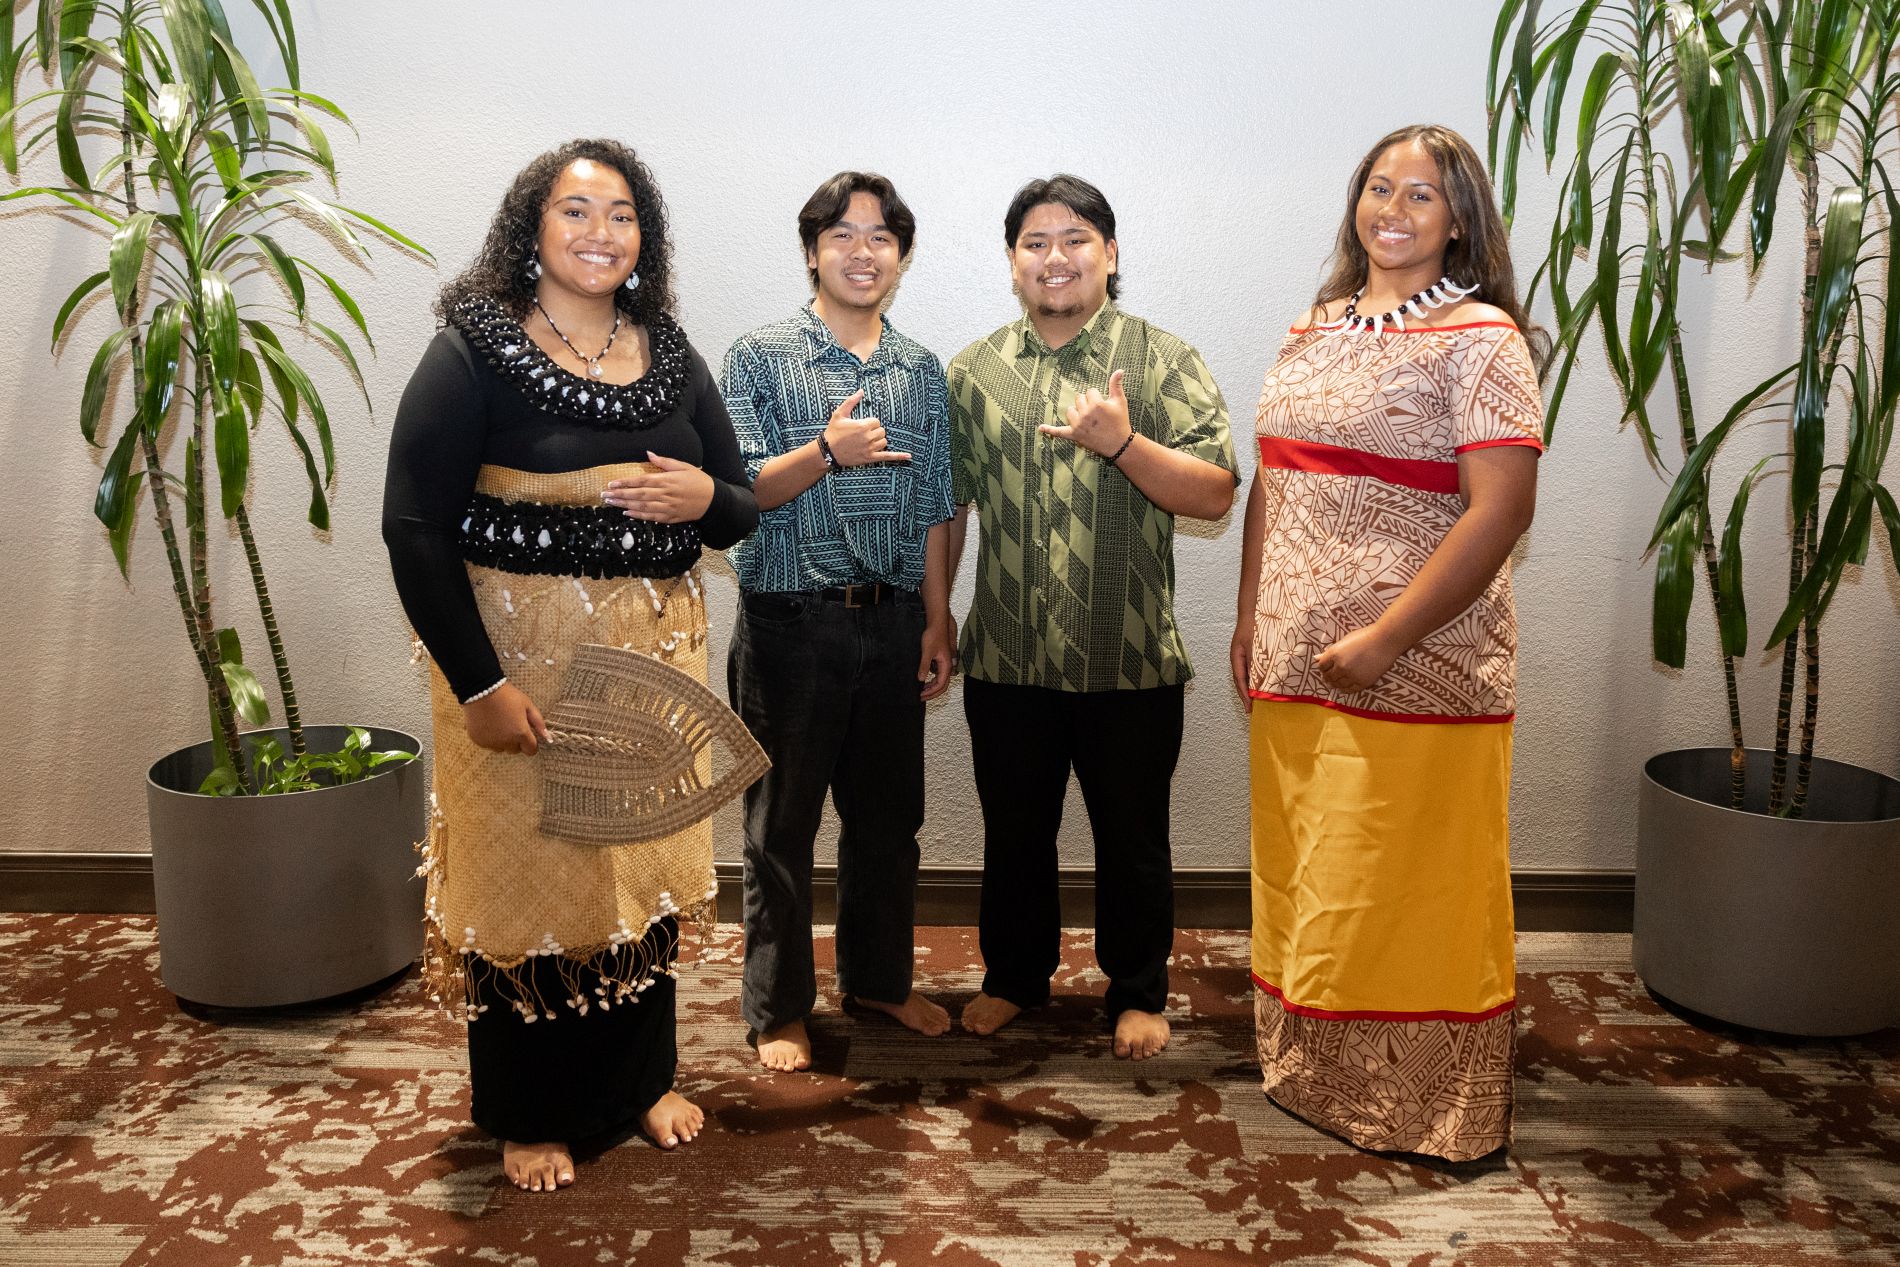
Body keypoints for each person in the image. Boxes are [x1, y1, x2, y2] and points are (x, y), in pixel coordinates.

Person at [382, 138, 757, 1192]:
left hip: (651, 671)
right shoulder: (475, 349)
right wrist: (479, 685)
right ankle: (528, 1110)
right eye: (576, 211)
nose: (601, 233)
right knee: (526, 889)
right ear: (531, 229)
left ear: (646, 238)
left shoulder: (671, 350)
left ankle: (640, 1081)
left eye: (623, 214)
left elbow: (734, 500)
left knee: (631, 874)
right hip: (519, 683)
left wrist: (703, 502)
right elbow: (412, 525)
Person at [1233, 123, 1547, 1161]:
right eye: (1379, 188)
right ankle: (1314, 1073)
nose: (1394, 212)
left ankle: (1424, 1109)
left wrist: (1382, 638)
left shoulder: (1483, 340)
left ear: (1458, 219)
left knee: (1409, 889)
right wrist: (1250, 616)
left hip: (1422, 668)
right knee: (1311, 873)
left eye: (1421, 196)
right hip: (1294, 667)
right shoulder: (1312, 327)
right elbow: (1273, 483)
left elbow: (1498, 513)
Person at [946, 174, 1237, 1060]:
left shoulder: (1164, 359)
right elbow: (947, 507)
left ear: (1110, 254)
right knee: (1015, 833)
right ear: (1011, 263)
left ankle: (1139, 989)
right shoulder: (974, 372)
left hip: (1132, 657)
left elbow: (1219, 489)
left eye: (1076, 239)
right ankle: (1014, 978)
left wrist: (1122, 442)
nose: (1055, 257)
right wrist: (934, 618)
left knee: (1134, 837)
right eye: (1035, 242)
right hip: (1007, 653)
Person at [721, 172, 957, 1072]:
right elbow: (736, 493)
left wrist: (939, 622)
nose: (864, 251)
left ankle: (880, 980)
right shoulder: (758, 353)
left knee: (889, 822)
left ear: (900, 255)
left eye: (882, 237)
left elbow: (937, 505)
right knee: (780, 825)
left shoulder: (920, 370)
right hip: (789, 623)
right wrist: (825, 450)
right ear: (813, 248)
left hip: (894, 621)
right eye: (844, 235)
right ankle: (777, 1006)